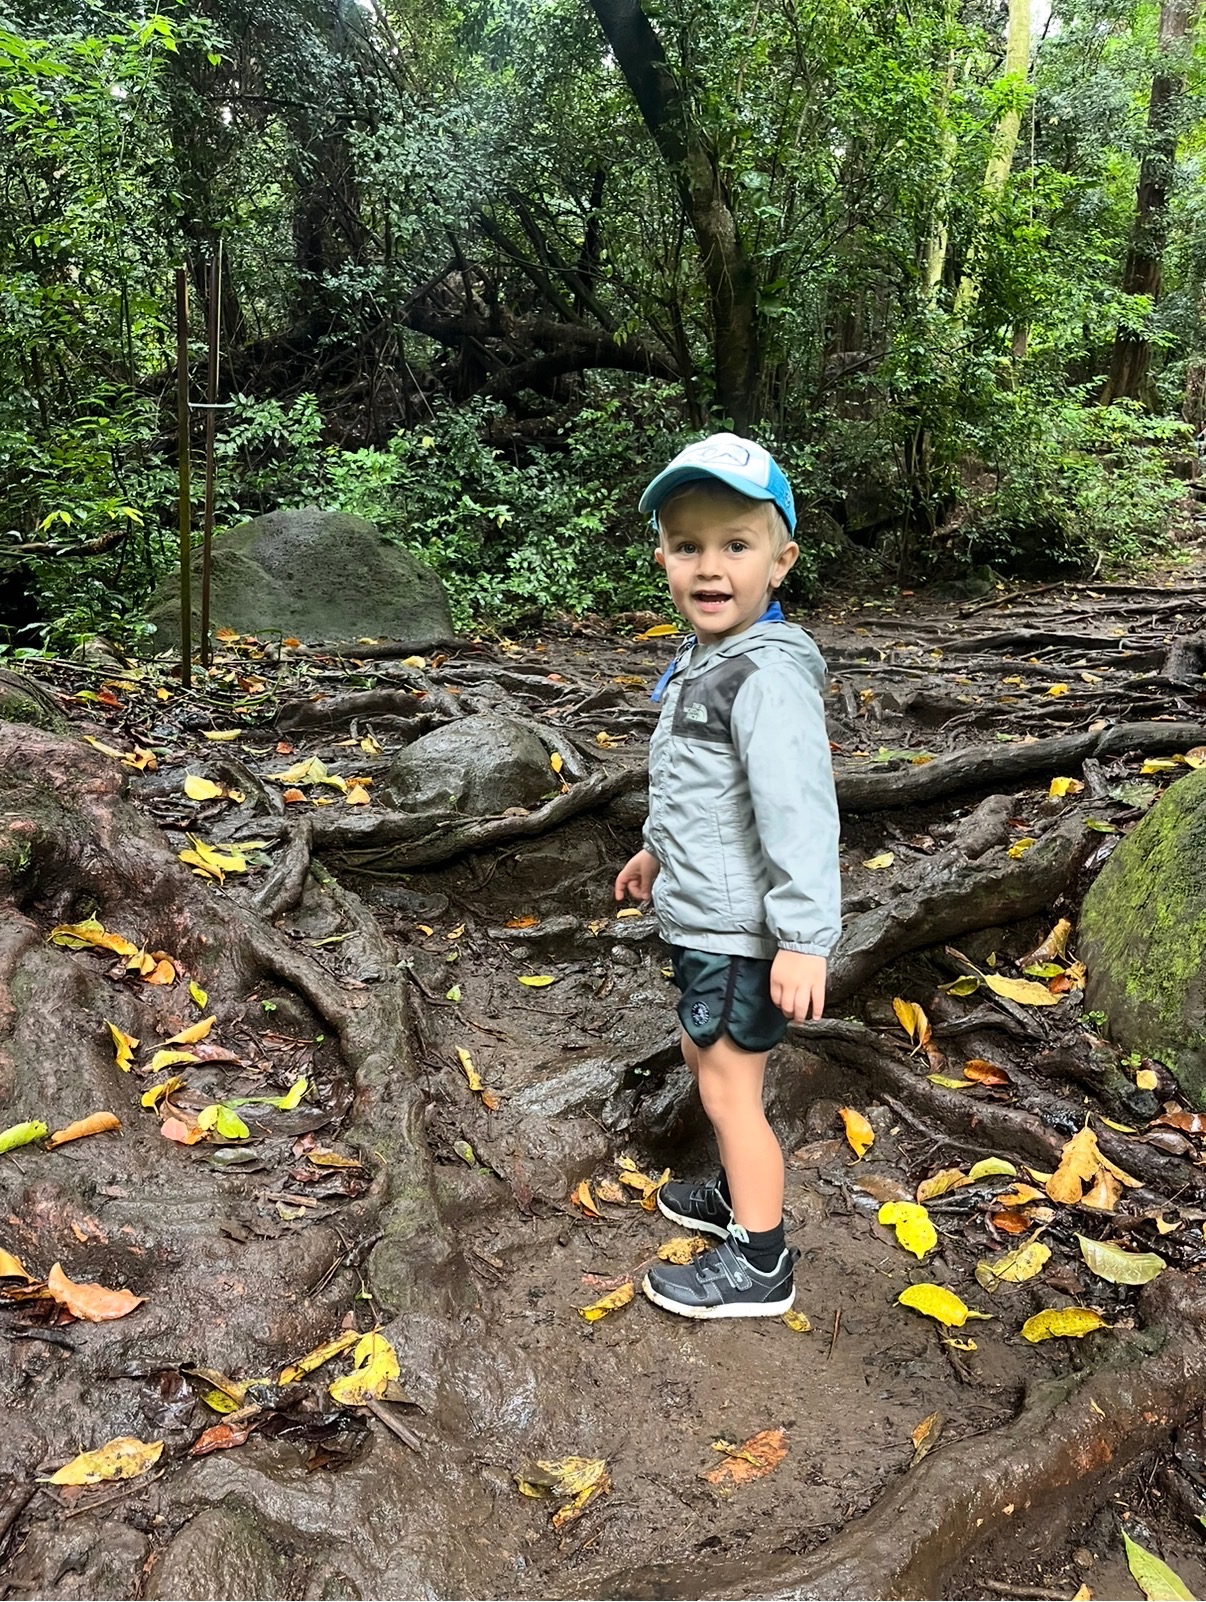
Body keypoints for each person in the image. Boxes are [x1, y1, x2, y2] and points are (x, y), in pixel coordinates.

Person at [613, 433, 842, 1319]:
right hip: (706, 915)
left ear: (780, 562)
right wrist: (655, 851)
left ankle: (761, 1262)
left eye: (736, 545)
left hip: (744, 931)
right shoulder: (704, 658)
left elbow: (798, 813)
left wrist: (805, 940)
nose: (710, 567)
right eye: (688, 546)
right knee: (702, 1054)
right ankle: (738, 1200)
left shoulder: (766, 677)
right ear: (663, 559)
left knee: (728, 1085)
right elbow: (697, 786)